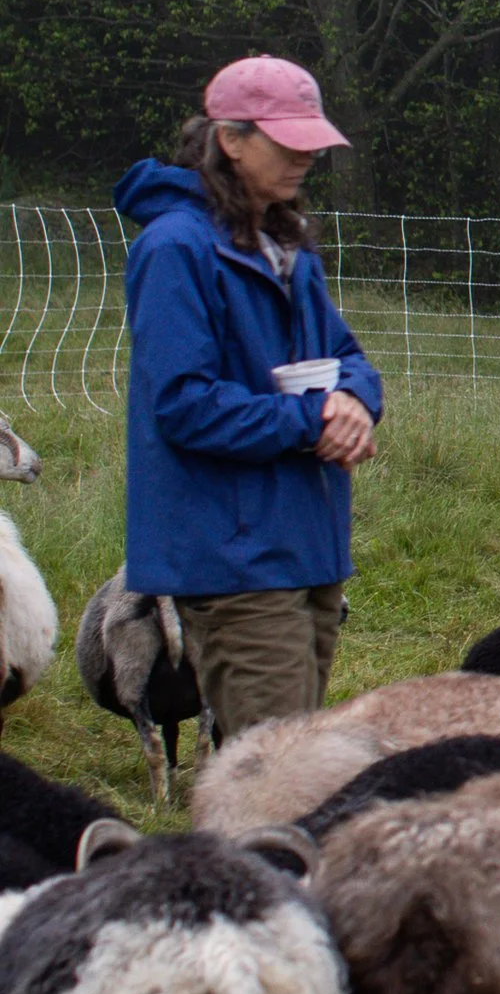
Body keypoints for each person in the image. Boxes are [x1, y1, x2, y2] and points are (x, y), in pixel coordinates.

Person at [115, 57, 384, 741]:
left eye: (311, 139)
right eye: (286, 140)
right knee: (272, 775)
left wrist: (352, 401)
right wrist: (312, 416)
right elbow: (182, 403)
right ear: (230, 140)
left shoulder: (285, 244)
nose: (306, 155)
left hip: (308, 543)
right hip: (233, 555)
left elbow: (348, 358)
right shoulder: (175, 249)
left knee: (293, 763)